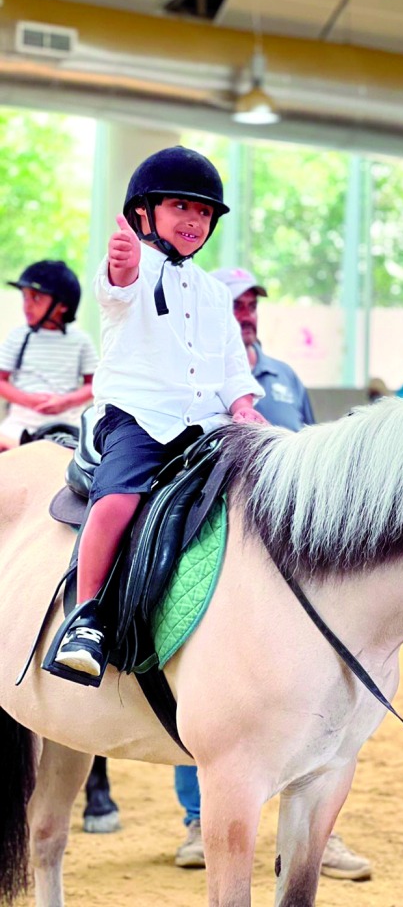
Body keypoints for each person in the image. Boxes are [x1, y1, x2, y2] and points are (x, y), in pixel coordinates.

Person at [172, 266, 371, 882]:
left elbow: (307, 446)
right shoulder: (197, 366)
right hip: (222, 540)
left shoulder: (282, 375)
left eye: (255, 300)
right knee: (209, 680)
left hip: (290, 549)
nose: (248, 310)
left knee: (308, 691)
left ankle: (316, 831)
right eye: (238, 302)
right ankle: (196, 820)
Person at [48, 146, 263, 683]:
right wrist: (122, 266)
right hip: (139, 421)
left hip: (208, 429)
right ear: (144, 213)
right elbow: (115, 290)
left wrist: (242, 404)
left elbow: (233, 365)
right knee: (118, 499)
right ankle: (86, 615)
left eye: (204, 212)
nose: (194, 220)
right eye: (180, 207)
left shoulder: (215, 294)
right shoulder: (131, 271)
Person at [0, 260, 97, 447]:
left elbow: (93, 385)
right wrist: (27, 400)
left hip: (66, 424)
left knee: (82, 457)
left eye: (36, 298)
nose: (27, 306)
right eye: (25, 297)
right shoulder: (18, 337)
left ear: (63, 305)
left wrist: (65, 401)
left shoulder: (80, 341)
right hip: (20, 423)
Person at [210, 267, 315, 430]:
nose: (247, 316)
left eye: (252, 306)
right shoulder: (200, 378)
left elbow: (310, 442)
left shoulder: (285, 375)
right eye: (236, 306)